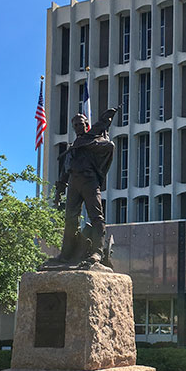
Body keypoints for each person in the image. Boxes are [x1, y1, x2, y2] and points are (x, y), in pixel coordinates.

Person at [52, 106, 119, 266]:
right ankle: (67, 253)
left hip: (89, 181)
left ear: (86, 124)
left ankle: (97, 251)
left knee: (96, 216)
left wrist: (89, 145)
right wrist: (59, 190)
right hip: (74, 183)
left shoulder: (93, 140)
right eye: (75, 125)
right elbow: (65, 170)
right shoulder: (73, 147)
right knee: (70, 219)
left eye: (80, 124)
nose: (78, 127)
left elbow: (109, 146)